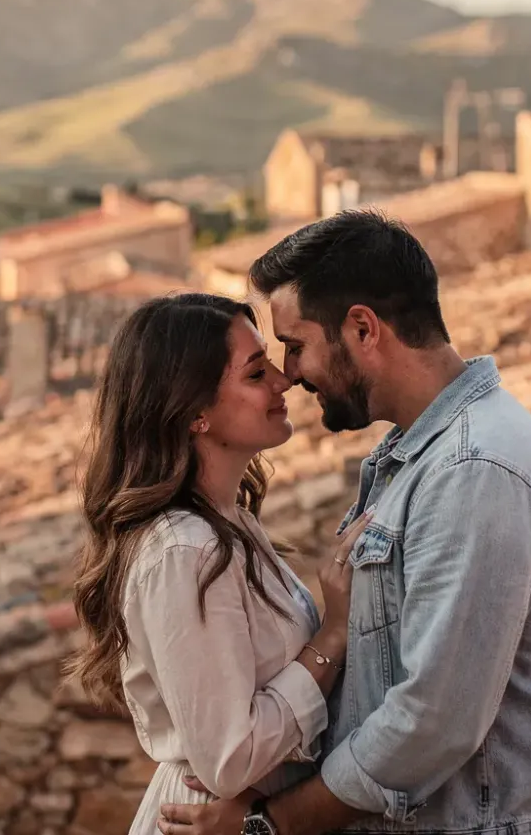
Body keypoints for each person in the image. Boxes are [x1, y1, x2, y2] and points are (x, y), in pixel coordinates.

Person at [158, 211, 531, 835]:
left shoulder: (476, 471)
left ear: (362, 328)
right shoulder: (420, 456)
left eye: (297, 345)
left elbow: (431, 721)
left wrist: (267, 824)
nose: (292, 374)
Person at [69, 292, 368, 835]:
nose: (284, 381)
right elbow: (231, 759)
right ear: (194, 412)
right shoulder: (187, 552)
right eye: (256, 373)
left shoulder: (227, 525)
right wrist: (332, 637)